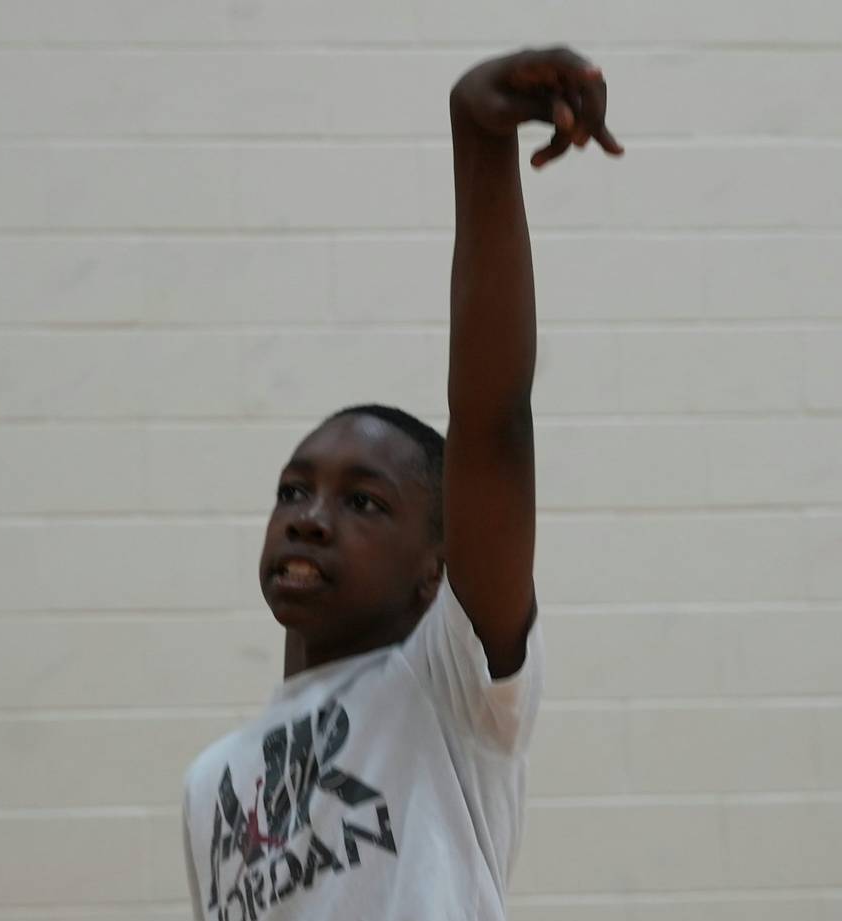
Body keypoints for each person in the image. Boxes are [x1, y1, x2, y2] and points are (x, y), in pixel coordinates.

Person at [180, 46, 623, 921]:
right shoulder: (211, 780)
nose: (310, 518)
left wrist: (478, 139)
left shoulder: (447, 688)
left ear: (437, 568)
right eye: (293, 491)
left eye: (364, 501)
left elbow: (493, 416)